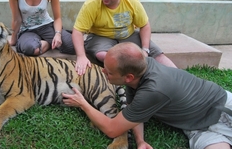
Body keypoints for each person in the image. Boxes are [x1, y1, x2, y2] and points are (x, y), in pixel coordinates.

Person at [62, 42, 232, 149]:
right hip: (197, 129)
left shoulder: (153, 90)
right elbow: (134, 112)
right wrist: (140, 141)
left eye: (109, 71)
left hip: (222, 106)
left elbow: (112, 129)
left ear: (128, 77)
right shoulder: (138, 71)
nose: (103, 71)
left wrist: (83, 103)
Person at [72, 0, 176, 75]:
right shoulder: (92, 3)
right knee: (102, 55)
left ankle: (179, 75)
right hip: (101, 37)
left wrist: (145, 50)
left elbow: (144, 25)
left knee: (157, 54)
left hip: (128, 35)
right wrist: (81, 56)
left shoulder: (131, 1)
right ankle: (138, 70)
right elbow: (78, 31)